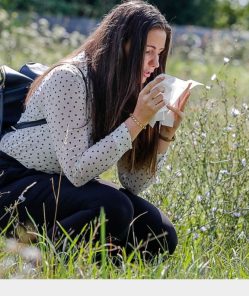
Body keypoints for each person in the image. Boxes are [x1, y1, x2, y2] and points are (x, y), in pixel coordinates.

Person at [0, 0, 191, 260]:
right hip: (14, 181)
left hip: (60, 182)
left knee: (159, 233)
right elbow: (78, 172)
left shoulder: (127, 87)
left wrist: (164, 135)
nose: (155, 64)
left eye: (160, 53)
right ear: (121, 45)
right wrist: (136, 120)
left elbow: (133, 183)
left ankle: (95, 264)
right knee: (113, 207)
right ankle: (34, 260)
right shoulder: (70, 78)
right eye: (148, 51)